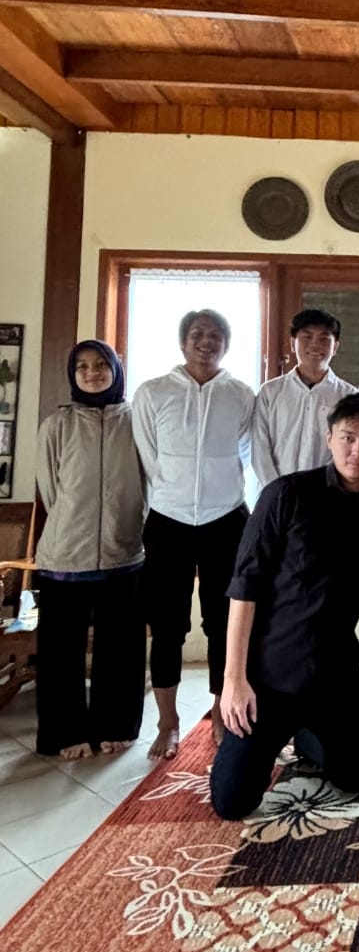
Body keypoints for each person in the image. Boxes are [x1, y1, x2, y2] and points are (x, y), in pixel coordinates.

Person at [210, 394, 359, 819]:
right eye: (348, 437)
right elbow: (244, 589)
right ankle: (281, 731)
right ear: (329, 438)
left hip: (334, 676)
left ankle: (307, 732)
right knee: (231, 803)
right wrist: (233, 680)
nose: (358, 450)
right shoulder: (285, 494)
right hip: (269, 676)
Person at [131, 308, 255, 760]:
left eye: (216, 335)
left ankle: (221, 716)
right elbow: (148, 456)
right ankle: (167, 722)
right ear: (183, 341)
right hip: (168, 521)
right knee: (167, 626)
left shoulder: (241, 395)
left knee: (224, 623)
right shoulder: (153, 393)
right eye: (198, 334)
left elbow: (244, 450)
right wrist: (173, 496)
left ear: (227, 343)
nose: (207, 342)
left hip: (227, 521)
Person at [34, 341, 147, 759]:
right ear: (72, 373)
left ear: (116, 370)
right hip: (66, 557)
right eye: (82, 366)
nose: (92, 372)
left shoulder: (134, 420)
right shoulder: (56, 426)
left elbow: (146, 479)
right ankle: (66, 733)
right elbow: (49, 489)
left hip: (124, 553)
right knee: (61, 653)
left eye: (101, 364)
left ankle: (116, 725)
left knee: (121, 649)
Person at [251, 308, 354, 491]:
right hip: (274, 496)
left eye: (324, 339)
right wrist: (276, 491)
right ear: (293, 343)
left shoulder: (349, 396)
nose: (315, 345)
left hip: (326, 497)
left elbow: (348, 449)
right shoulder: (270, 392)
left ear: (335, 347)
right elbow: (260, 448)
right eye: (307, 337)